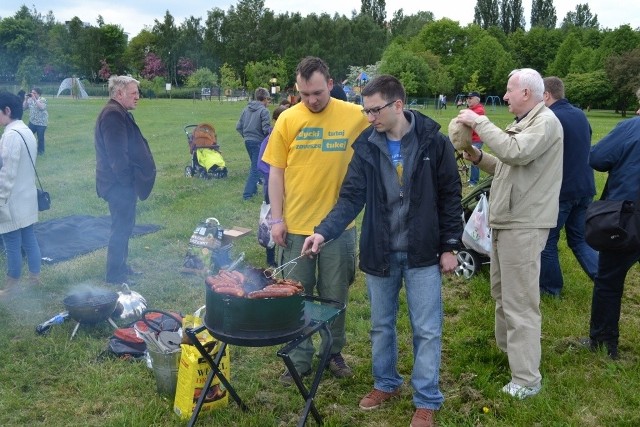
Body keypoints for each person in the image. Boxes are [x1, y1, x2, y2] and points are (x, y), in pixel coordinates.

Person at [302, 75, 462, 427]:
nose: (369, 116)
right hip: (380, 252)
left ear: (397, 106)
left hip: (423, 252)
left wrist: (451, 245)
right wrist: (322, 233)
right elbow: (350, 198)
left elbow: (451, 196)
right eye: (365, 109)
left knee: (427, 329)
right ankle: (386, 383)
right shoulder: (366, 146)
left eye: (374, 110)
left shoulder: (434, 142)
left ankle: (426, 399)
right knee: (381, 326)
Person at [456, 68, 563, 399]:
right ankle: (510, 356)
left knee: (520, 302)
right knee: (502, 294)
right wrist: (475, 155)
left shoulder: (545, 123)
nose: (504, 96)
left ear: (527, 94)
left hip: (525, 225)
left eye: (509, 90)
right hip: (507, 221)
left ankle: (527, 379)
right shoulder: (527, 122)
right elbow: (505, 163)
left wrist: (477, 121)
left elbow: (516, 152)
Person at [262, 56, 370, 385]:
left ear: (331, 84)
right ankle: (298, 357)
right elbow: (276, 174)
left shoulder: (356, 116)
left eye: (318, 93)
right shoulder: (288, 119)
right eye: (304, 94)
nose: (311, 100)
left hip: (339, 228)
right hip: (295, 227)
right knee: (296, 295)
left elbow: (387, 134)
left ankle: (333, 352)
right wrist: (276, 219)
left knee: (335, 295)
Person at [582, 88, 640, 360]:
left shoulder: (631, 128)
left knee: (609, 280)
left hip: (627, 217)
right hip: (628, 214)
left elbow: (598, 158)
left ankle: (603, 342)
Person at [539, 77, 598, 297]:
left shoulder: (551, 117)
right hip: (585, 187)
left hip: (562, 190)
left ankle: (550, 288)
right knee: (580, 239)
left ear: (546, 95)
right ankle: (605, 279)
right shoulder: (580, 115)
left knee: (547, 241)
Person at [95, 75, 156, 286]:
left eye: (137, 93)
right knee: (121, 227)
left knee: (125, 226)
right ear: (119, 94)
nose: (138, 97)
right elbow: (117, 156)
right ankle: (114, 275)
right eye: (133, 93)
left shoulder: (119, 112)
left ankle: (121, 266)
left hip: (121, 184)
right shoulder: (113, 115)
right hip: (118, 185)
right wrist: (128, 182)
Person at [0, 91, 42, 294]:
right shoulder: (25, 130)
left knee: (11, 243)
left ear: (7, 110)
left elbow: (6, 175)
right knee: (29, 239)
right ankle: (34, 278)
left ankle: (11, 286)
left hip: (12, 200)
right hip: (27, 195)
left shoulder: (10, 135)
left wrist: (0, 200)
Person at [257, 105, 289, 268]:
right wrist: (276, 172)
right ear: (276, 120)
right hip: (272, 186)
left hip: (288, 188)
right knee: (272, 219)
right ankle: (270, 256)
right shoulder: (269, 139)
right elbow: (261, 165)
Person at [236, 87, 271, 200]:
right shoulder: (264, 111)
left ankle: (254, 190)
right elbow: (266, 129)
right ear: (265, 98)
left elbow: (238, 127)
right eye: (268, 99)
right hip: (258, 142)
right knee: (256, 169)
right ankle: (247, 195)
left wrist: (246, 136)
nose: (268, 102)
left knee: (254, 166)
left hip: (248, 141)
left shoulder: (246, 109)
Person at [465, 92, 486, 186]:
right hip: (469, 138)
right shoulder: (470, 109)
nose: (468, 100)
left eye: (470, 98)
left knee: (474, 158)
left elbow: (465, 120)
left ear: (478, 99)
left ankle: (474, 181)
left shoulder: (479, 110)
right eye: (467, 98)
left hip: (476, 139)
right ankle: (472, 179)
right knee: (471, 157)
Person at [23, 87, 48, 155]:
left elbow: (42, 107)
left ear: (39, 94)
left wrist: (35, 99)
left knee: (40, 138)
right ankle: (28, 150)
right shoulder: (30, 100)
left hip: (41, 123)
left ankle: (41, 152)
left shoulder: (43, 99)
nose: (32, 94)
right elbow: (24, 108)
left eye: (34, 93)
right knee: (27, 136)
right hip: (32, 122)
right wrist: (26, 99)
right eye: (32, 93)